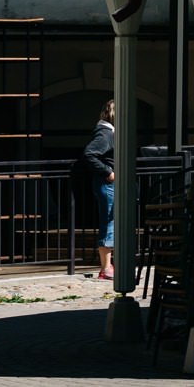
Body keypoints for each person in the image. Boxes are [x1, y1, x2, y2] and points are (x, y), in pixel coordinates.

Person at [80, 100, 116, 281]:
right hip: (107, 184)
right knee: (108, 223)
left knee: (111, 222)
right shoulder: (106, 134)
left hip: (108, 184)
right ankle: (106, 267)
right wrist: (107, 171)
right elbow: (89, 154)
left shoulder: (107, 132)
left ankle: (109, 265)